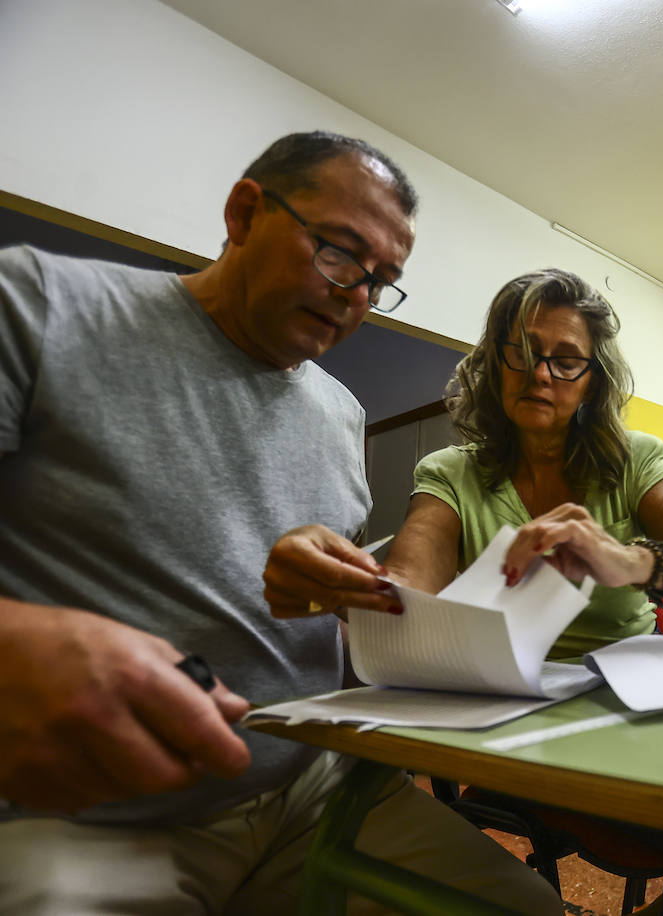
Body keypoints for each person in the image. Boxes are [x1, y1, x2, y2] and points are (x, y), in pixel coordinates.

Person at [0, 131, 562, 915]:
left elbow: (332, 629)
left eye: (380, 281)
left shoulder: (341, 413)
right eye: (338, 252)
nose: (354, 294)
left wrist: (362, 611)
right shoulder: (38, 303)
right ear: (242, 213)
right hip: (94, 822)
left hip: (314, 786)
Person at [370, 267, 663, 915]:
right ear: (492, 360)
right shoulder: (451, 474)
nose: (541, 375)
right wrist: (371, 593)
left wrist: (632, 562)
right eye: (522, 354)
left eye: (566, 361)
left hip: (641, 711)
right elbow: (408, 583)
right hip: (528, 729)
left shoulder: (632, 458)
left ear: (593, 380)